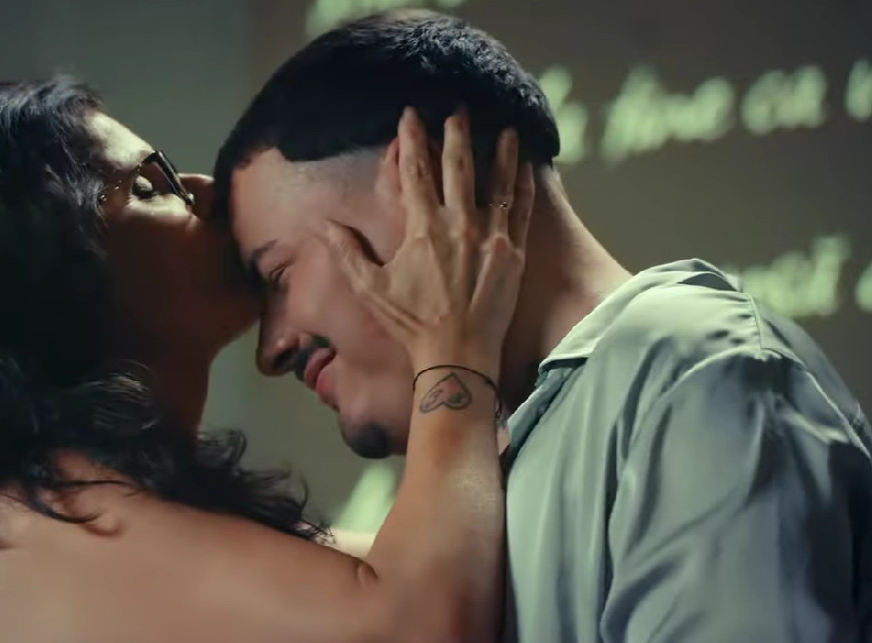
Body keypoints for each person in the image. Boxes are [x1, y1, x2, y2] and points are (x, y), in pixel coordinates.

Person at [216, 9, 872, 642]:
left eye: (278, 275)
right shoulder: (492, 468)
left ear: (434, 178)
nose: (270, 349)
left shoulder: (694, 376)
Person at [0, 78, 533, 643]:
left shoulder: (83, 510)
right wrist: (453, 342)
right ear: (48, 277)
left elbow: (455, 565)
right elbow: (420, 624)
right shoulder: (49, 519)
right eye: (151, 185)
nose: (208, 193)